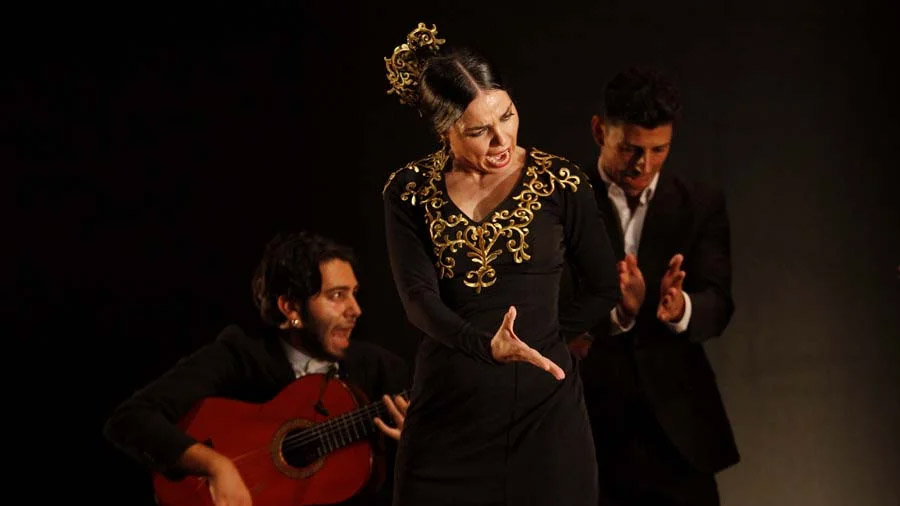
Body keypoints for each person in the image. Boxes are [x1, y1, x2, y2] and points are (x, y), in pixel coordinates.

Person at [381, 23, 620, 506]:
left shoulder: (560, 183)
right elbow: (418, 299)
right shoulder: (408, 192)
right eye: (478, 130)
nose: (501, 138)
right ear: (445, 130)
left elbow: (603, 287)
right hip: (447, 416)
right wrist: (485, 345)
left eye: (507, 116)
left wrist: (543, 336)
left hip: (543, 417)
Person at [103, 231, 409, 506]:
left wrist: (419, 442)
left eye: (354, 293)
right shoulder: (242, 355)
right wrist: (215, 466)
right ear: (291, 308)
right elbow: (130, 419)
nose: (355, 309)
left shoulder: (380, 368)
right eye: (337, 295)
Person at [567, 67, 740, 505]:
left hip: (679, 433)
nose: (643, 164)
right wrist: (617, 314)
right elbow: (548, 308)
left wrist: (681, 308)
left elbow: (718, 303)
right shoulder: (562, 203)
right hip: (586, 426)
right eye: (630, 148)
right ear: (599, 131)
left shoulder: (700, 203)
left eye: (658, 149)